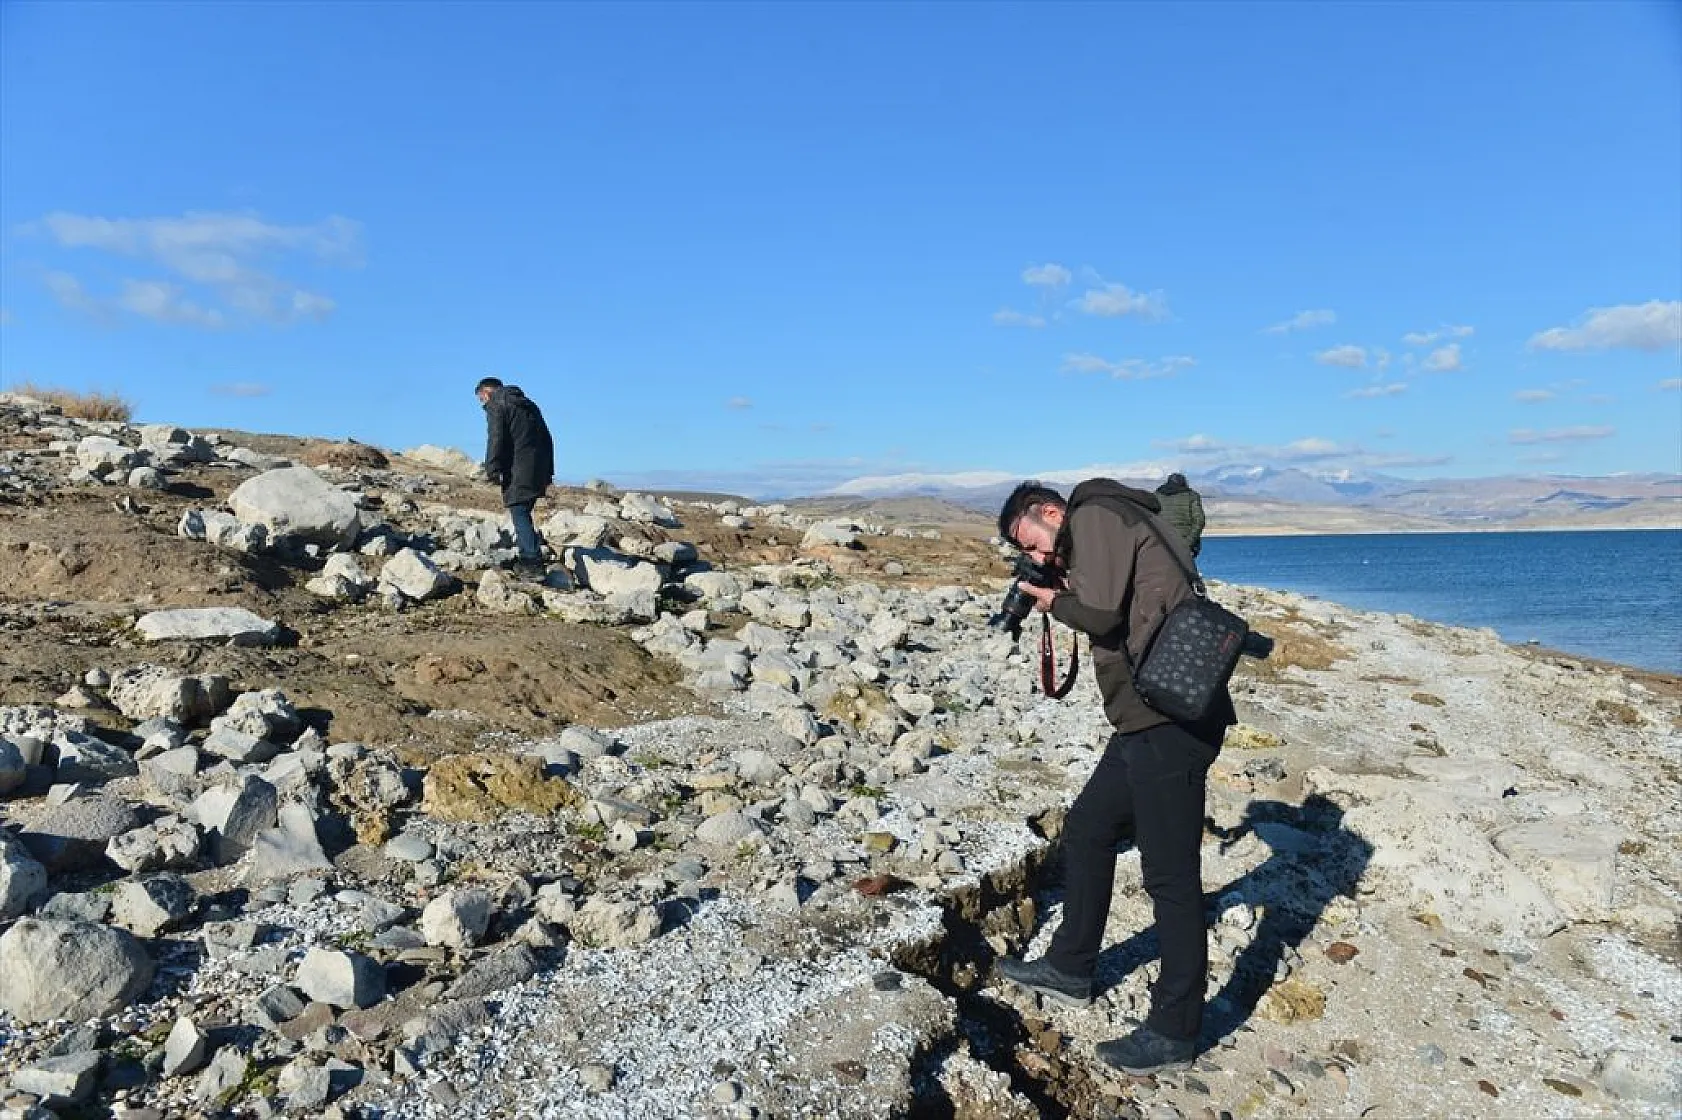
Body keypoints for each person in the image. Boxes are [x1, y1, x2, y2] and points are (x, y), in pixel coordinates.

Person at [992, 478, 1235, 1076]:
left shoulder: (1096, 514)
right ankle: (1071, 966)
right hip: (1144, 722)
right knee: (1089, 830)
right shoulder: (1106, 527)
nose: (1041, 558)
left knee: (1171, 877)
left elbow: (1100, 614)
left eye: (1036, 544)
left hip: (1170, 725)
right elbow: (1117, 604)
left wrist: (1052, 602)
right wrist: (1061, 583)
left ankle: (1175, 1030)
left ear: (1051, 512)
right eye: (1031, 555)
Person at [475, 376, 554, 574]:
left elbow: (496, 438)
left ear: (486, 393)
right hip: (538, 468)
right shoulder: (529, 405)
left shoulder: (497, 404)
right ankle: (529, 555)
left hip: (518, 468)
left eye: (481, 400)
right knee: (524, 512)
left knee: (519, 512)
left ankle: (532, 562)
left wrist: (491, 468)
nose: (482, 405)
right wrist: (548, 471)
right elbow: (547, 438)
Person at [1153, 472, 1206, 557]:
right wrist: (1188, 542)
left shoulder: (1156, 496)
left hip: (1163, 543)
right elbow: (1199, 521)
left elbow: (1151, 519)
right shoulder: (1191, 496)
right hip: (1185, 543)